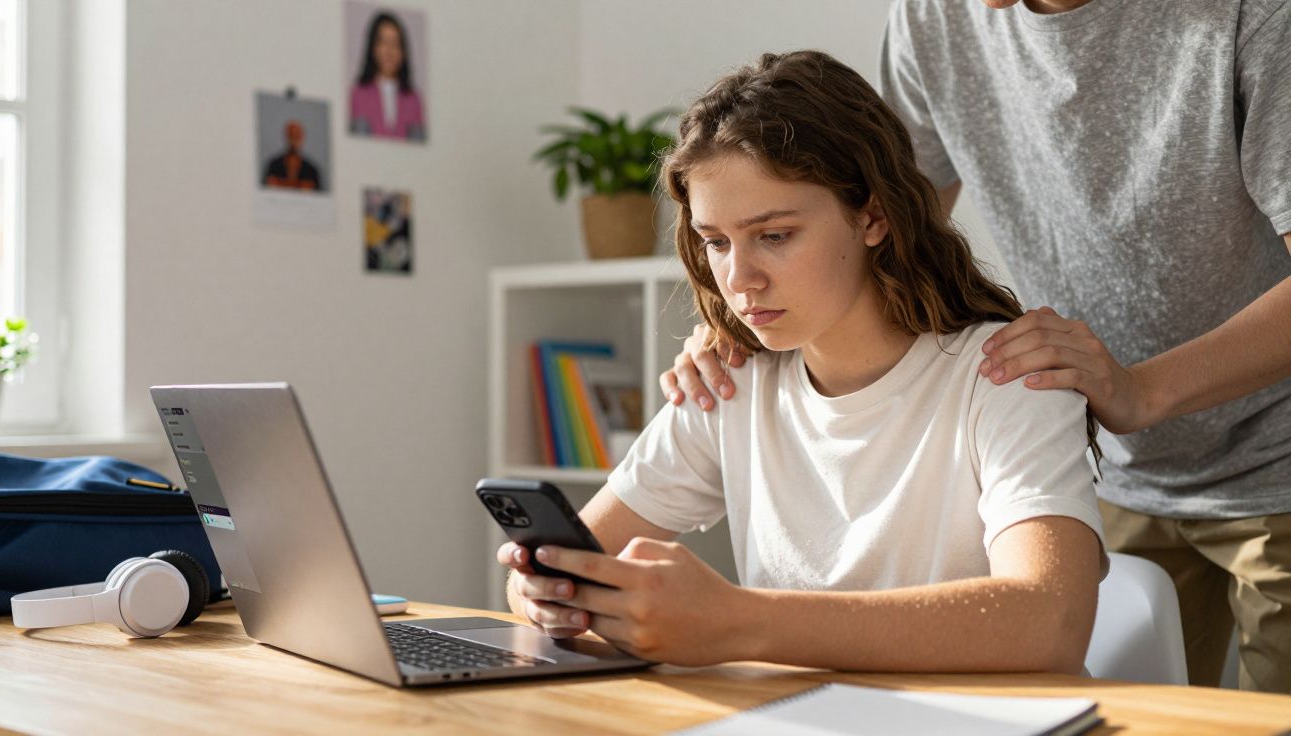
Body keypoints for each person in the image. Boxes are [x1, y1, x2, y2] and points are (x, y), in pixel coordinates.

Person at [662, 0, 1291, 692]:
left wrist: (1145, 390)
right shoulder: (935, 19)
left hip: (1275, 456)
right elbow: (881, 221)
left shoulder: (1248, 15)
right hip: (1117, 467)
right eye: (715, 242)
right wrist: (753, 312)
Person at [498, 50, 1108, 673]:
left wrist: (739, 621)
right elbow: (559, 565)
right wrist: (542, 591)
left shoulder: (1008, 375)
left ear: (872, 215)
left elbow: (1048, 621)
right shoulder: (729, 381)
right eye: (716, 242)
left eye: (775, 235)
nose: (740, 279)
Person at [350, 12, 427, 142]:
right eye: (383, 42)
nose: (389, 50)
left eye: (395, 43)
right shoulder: (358, 94)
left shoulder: (414, 99)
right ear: (373, 47)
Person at [262, 120, 322, 191]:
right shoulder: (273, 165)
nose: (293, 141)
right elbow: (267, 187)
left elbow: (317, 194)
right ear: (286, 137)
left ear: (301, 138)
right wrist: (300, 186)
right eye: (291, 136)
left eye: (296, 136)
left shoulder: (311, 170)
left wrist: (281, 184)